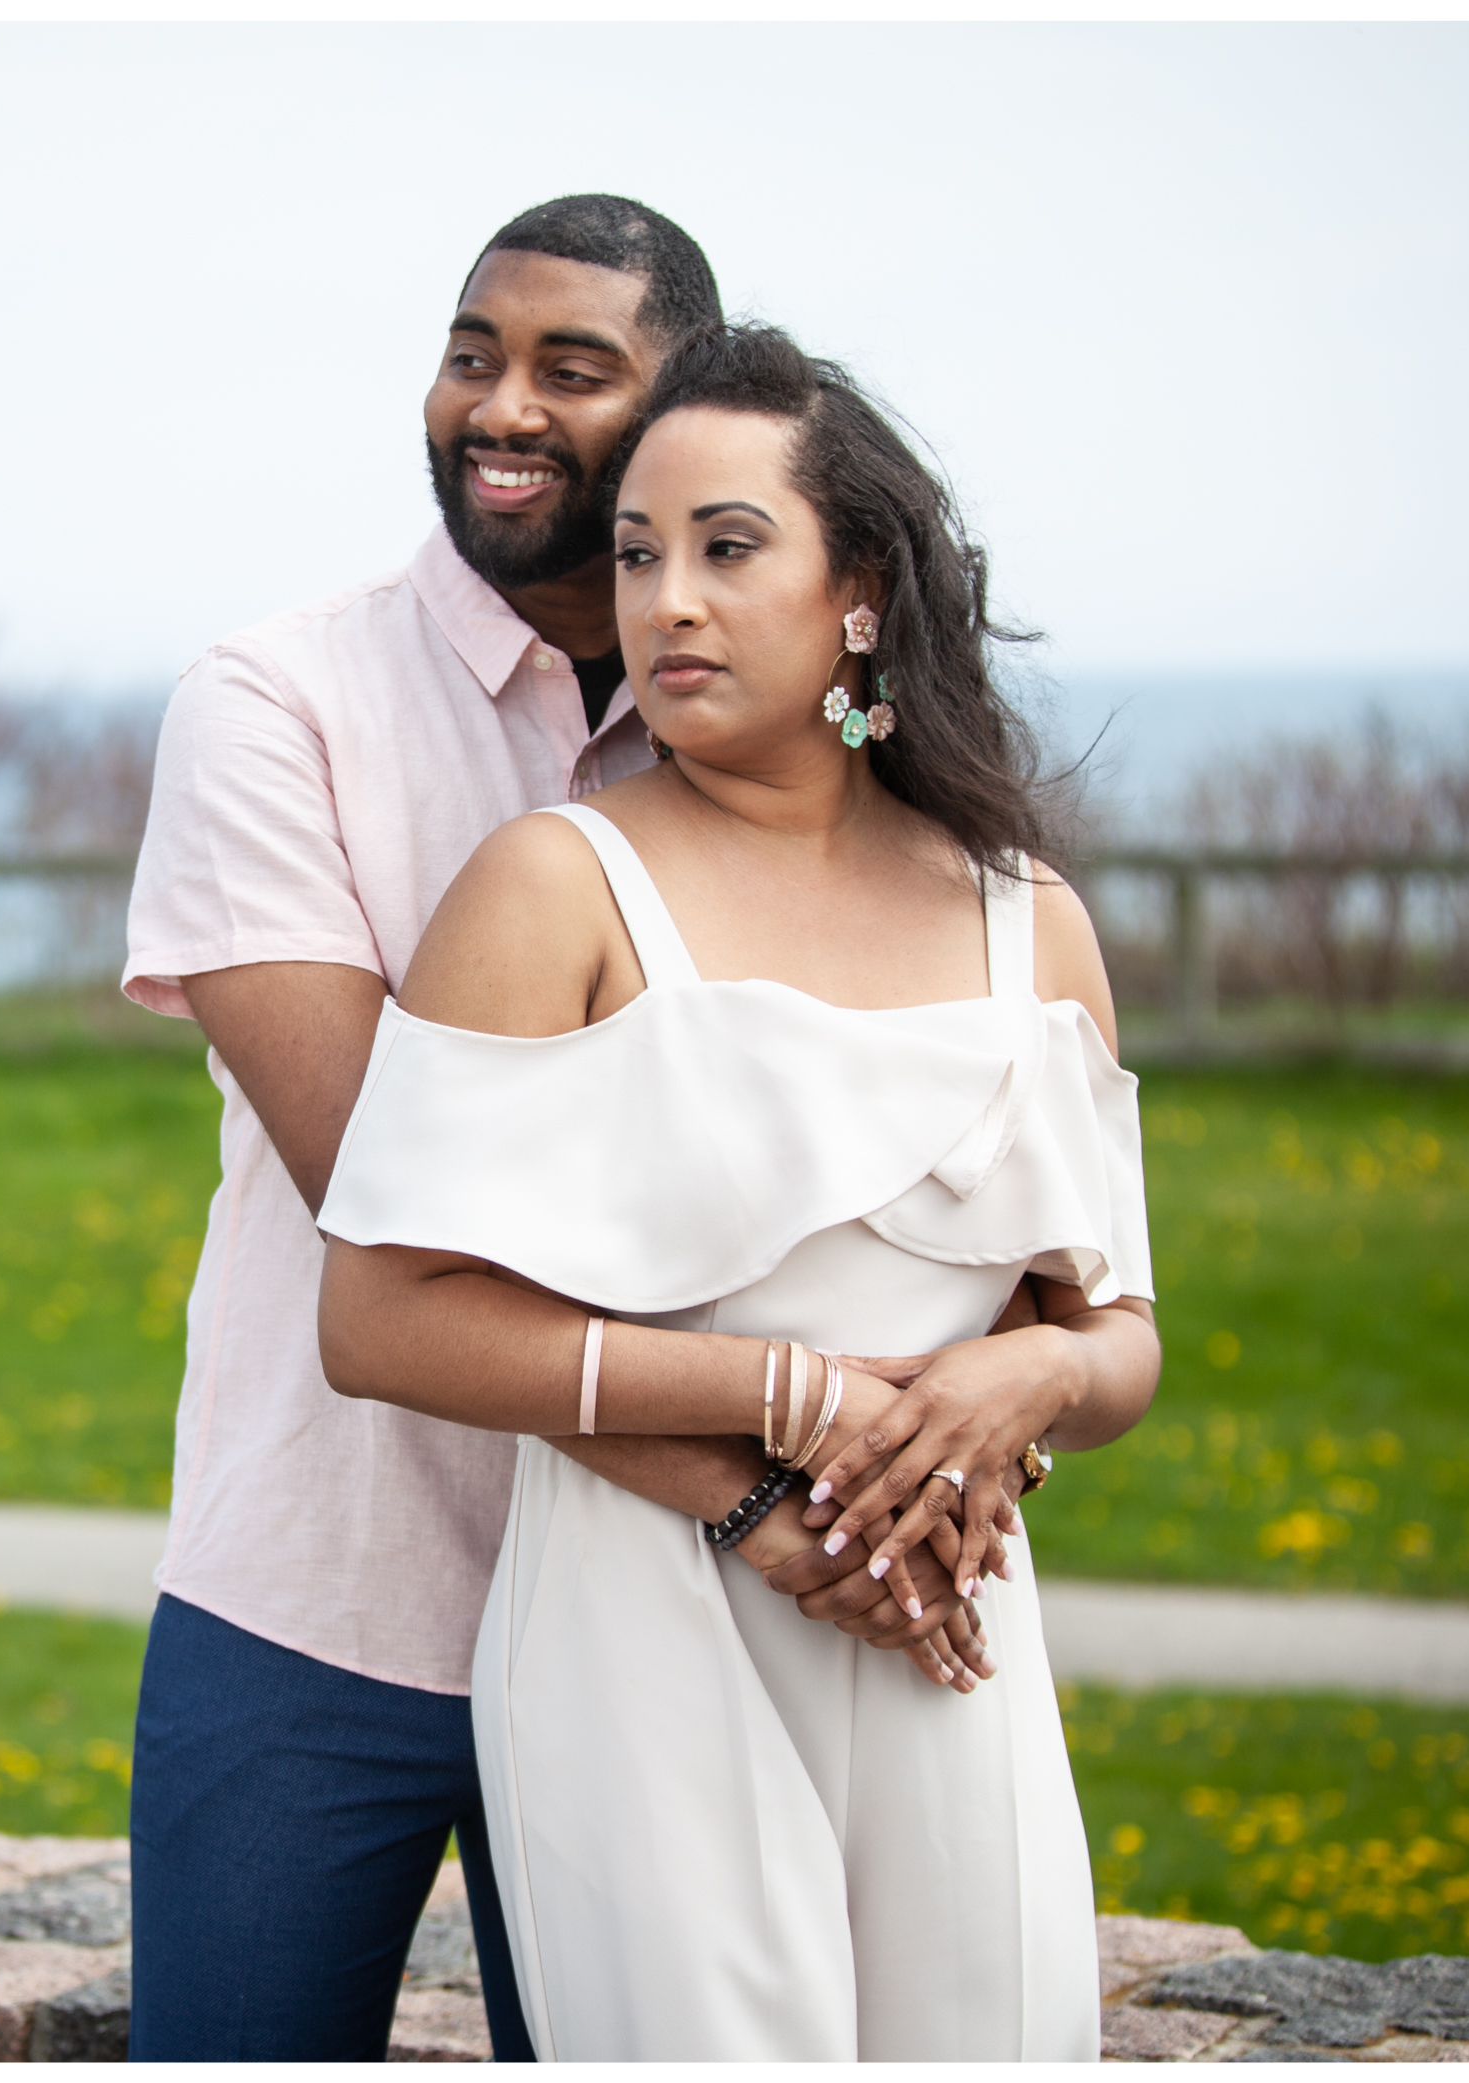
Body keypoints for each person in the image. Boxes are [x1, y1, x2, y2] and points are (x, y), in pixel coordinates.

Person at [114, 199, 982, 2058]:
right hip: (320, 1594)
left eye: (569, 370)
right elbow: (400, 1215)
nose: (497, 407)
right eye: (468, 353)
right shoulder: (280, 707)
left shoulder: (773, 758)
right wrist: (764, 1482)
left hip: (664, 1631)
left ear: (687, 418)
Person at [312, 323, 1160, 2060]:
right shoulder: (557, 886)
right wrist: (790, 1398)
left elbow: (1120, 1333)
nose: (667, 603)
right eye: (636, 555)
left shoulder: (1028, 922)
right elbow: (381, 1320)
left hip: (946, 1630)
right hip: (645, 1632)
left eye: (725, 547)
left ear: (858, 591)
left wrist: (1037, 1377)